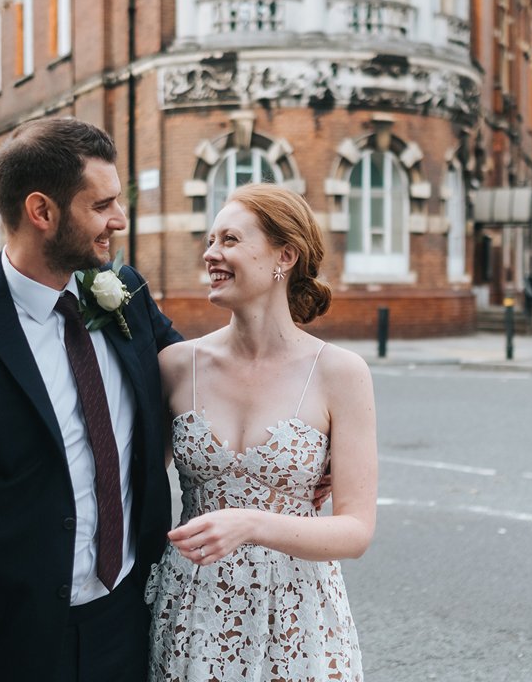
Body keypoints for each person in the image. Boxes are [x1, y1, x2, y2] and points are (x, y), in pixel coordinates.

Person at [0, 117, 182, 681]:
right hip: (11, 647)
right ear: (41, 212)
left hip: (128, 624)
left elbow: (203, 376)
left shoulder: (128, 298)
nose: (119, 220)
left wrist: (306, 437)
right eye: (102, 206)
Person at [147, 184, 378, 682]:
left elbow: (356, 530)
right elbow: (128, 483)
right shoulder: (175, 366)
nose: (211, 254)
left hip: (297, 613)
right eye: (210, 240)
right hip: (193, 605)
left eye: (230, 239)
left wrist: (251, 524)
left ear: (284, 256)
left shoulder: (341, 372)